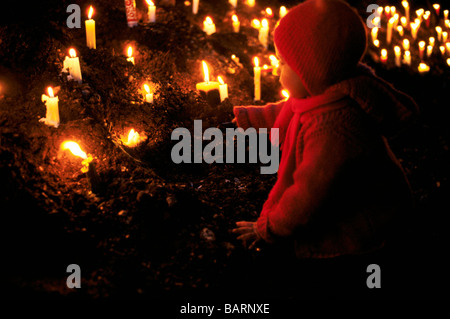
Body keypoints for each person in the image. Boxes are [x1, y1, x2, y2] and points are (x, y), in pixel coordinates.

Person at [232, 0, 418, 258]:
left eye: (284, 63)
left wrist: (268, 228)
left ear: (312, 71)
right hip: (346, 211)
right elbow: (290, 110)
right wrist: (252, 118)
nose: (277, 70)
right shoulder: (323, 94)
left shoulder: (334, 130)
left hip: (361, 230)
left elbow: (307, 195)